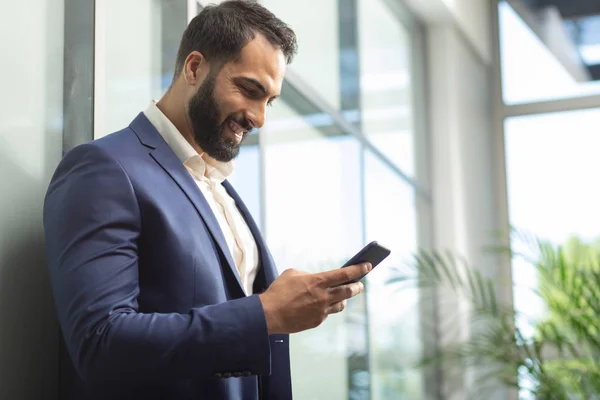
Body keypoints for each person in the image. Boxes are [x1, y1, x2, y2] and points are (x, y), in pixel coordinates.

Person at [43, 1, 370, 399]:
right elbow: (100, 344)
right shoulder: (104, 170)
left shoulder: (222, 190)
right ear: (194, 68)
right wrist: (266, 313)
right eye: (250, 90)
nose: (259, 118)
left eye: (269, 101)